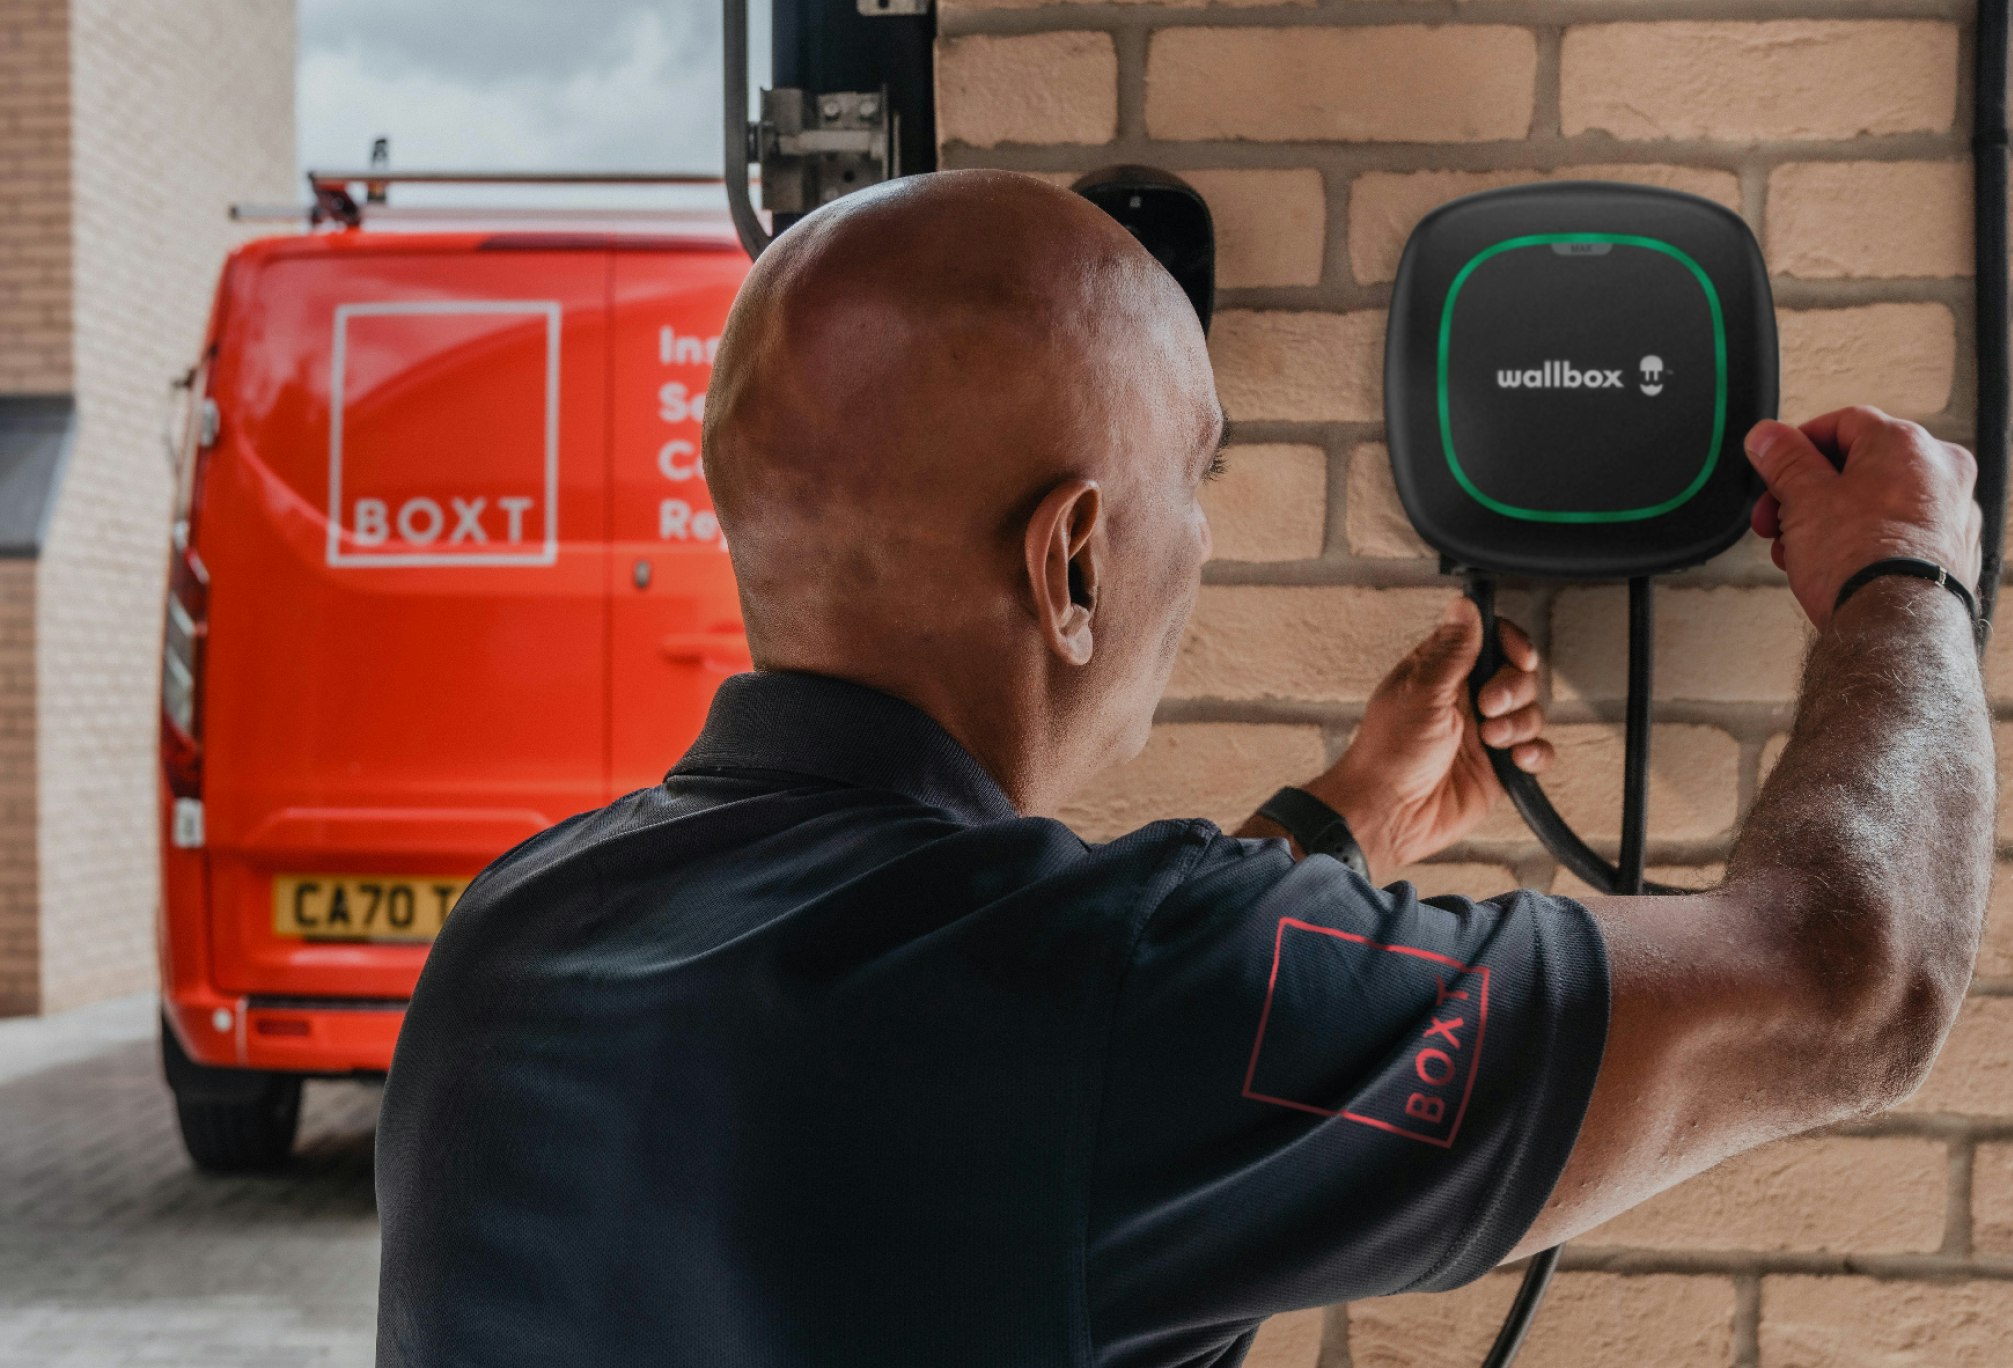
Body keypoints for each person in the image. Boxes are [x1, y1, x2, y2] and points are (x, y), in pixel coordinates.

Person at [374, 170, 1993, 1368]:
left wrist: (1346, 817)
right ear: (1070, 560)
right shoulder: (1115, 999)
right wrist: (1905, 581)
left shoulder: (517, 932)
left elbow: (1018, 1073)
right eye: (1195, 476)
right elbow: (1848, 984)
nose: (1203, 541)